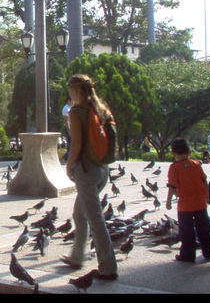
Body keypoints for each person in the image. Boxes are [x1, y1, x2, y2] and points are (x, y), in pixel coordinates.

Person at [60, 74, 118, 280]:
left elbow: (76, 144)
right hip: (103, 169)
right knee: (79, 212)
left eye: (69, 91)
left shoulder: (77, 111)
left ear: (76, 91)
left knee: (95, 219)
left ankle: (108, 267)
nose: (69, 95)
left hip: (86, 170)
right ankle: (77, 256)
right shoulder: (100, 109)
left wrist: (68, 166)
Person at [166, 138, 210, 262]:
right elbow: (205, 181)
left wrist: (168, 202)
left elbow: (172, 186)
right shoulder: (196, 164)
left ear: (173, 154)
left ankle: (188, 255)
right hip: (200, 203)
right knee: (204, 229)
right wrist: (207, 196)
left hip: (185, 205)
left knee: (186, 232)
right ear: (189, 153)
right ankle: (209, 252)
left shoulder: (174, 167)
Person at [62, 96, 72, 161]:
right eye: (72, 100)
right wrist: (69, 130)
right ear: (69, 101)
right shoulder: (66, 109)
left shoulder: (71, 108)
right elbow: (66, 121)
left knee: (71, 142)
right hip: (68, 127)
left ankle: (65, 156)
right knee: (70, 142)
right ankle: (67, 157)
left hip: (72, 127)